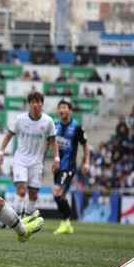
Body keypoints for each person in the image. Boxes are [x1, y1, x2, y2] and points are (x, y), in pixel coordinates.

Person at [0, 92, 59, 217]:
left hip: (37, 162)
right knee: (21, 190)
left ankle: (26, 221)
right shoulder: (20, 119)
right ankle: (14, 219)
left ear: (42, 104)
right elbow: (8, 135)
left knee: (33, 195)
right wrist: (1, 151)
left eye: (38, 102)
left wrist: (56, 158)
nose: (35, 105)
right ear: (29, 104)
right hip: (21, 160)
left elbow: (53, 140)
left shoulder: (48, 121)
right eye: (33, 102)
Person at [52, 100, 90, 234]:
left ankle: (65, 220)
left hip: (69, 167)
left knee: (56, 193)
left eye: (64, 107)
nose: (61, 110)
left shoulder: (77, 127)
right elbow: (49, 142)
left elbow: (85, 145)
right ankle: (66, 224)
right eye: (59, 108)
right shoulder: (55, 126)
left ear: (70, 110)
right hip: (57, 167)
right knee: (61, 196)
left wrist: (86, 162)